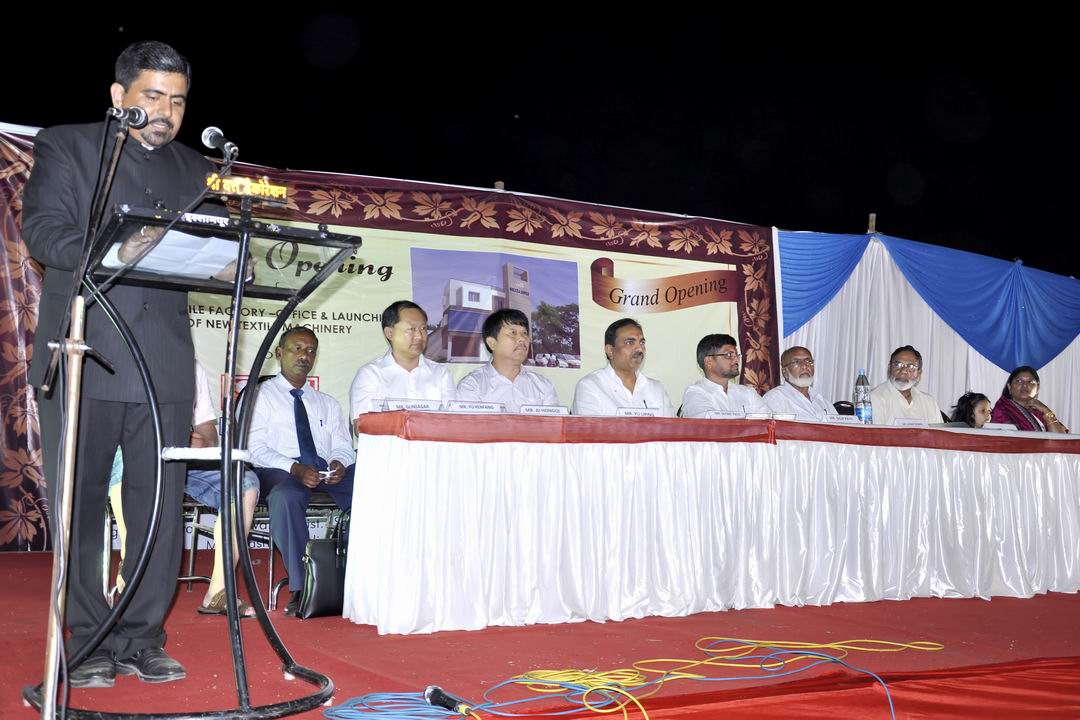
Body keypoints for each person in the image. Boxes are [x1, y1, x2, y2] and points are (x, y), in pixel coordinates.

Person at [22, 40, 229, 686]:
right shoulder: (70, 146)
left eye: (178, 101)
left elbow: (218, 248)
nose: (166, 112)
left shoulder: (195, 168)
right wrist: (120, 247)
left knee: (159, 512)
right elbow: (43, 232)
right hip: (83, 353)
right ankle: (87, 644)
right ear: (119, 96)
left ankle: (142, 639)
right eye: (153, 97)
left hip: (163, 365)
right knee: (81, 508)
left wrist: (232, 259)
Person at [107, 363, 260, 616]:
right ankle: (132, 566)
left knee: (245, 483)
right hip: (132, 456)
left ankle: (219, 592)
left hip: (182, 459)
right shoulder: (122, 359)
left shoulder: (191, 365)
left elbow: (208, 430)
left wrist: (202, 441)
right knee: (126, 462)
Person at [247, 327, 355, 616]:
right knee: (286, 496)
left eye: (310, 351)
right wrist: (294, 467)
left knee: (368, 484)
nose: (304, 356)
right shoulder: (260, 397)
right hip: (279, 469)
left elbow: (343, 445)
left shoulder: (327, 402)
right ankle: (303, 585)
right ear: (279, 353)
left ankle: (357, 573)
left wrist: (339, 462)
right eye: (297, 348)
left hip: (322, 469)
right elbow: (254, 449)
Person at [349, 300, 455, 424]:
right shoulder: (371, 374)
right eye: (411, 329)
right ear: (390, 333)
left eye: (423, 328)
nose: (419, 336)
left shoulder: (441, 374)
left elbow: (453, 422)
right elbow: (361, 426)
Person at [455, 308, 559, 411]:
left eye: (525, 333)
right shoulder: (472, 386)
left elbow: (553, 422)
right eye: (513, 333)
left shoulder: (543, 386)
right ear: (492, 343)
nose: (522, 339)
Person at [572, 318, 674, 416]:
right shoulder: (590, 386)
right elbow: (589, 428)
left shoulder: (657, 389)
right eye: (630, 342)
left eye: (642, 343)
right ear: (610, 350)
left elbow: (672, 427)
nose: (640, 349)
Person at [680, 333, 768, 418]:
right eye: (729, 355)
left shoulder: (748, 393)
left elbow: (769, 422)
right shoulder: (695, 393)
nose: (736, 360)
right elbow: (707, 424)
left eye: (737, 355)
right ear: (709, 362)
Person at [869, 345, 944, 425]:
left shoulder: (929, 402)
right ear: (889, 368)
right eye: (898, 365)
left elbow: (939, 432)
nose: (903, 371)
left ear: (919, 373)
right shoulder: (873, 398)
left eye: (911, 367)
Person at [762, 346, 837, 420]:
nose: (804, 366)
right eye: (796, 362)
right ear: (785, 372)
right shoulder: (775, 399)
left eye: (808, 361)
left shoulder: (822, 401)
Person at [990, 366, 1069, 433]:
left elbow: (1060, 439)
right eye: (1019, 381)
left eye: (1030, 382)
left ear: (1037, 388)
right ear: (1009, 387)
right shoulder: (1002, 409)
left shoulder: (1040, 411)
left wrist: (1046, 410)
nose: (1025, 385)